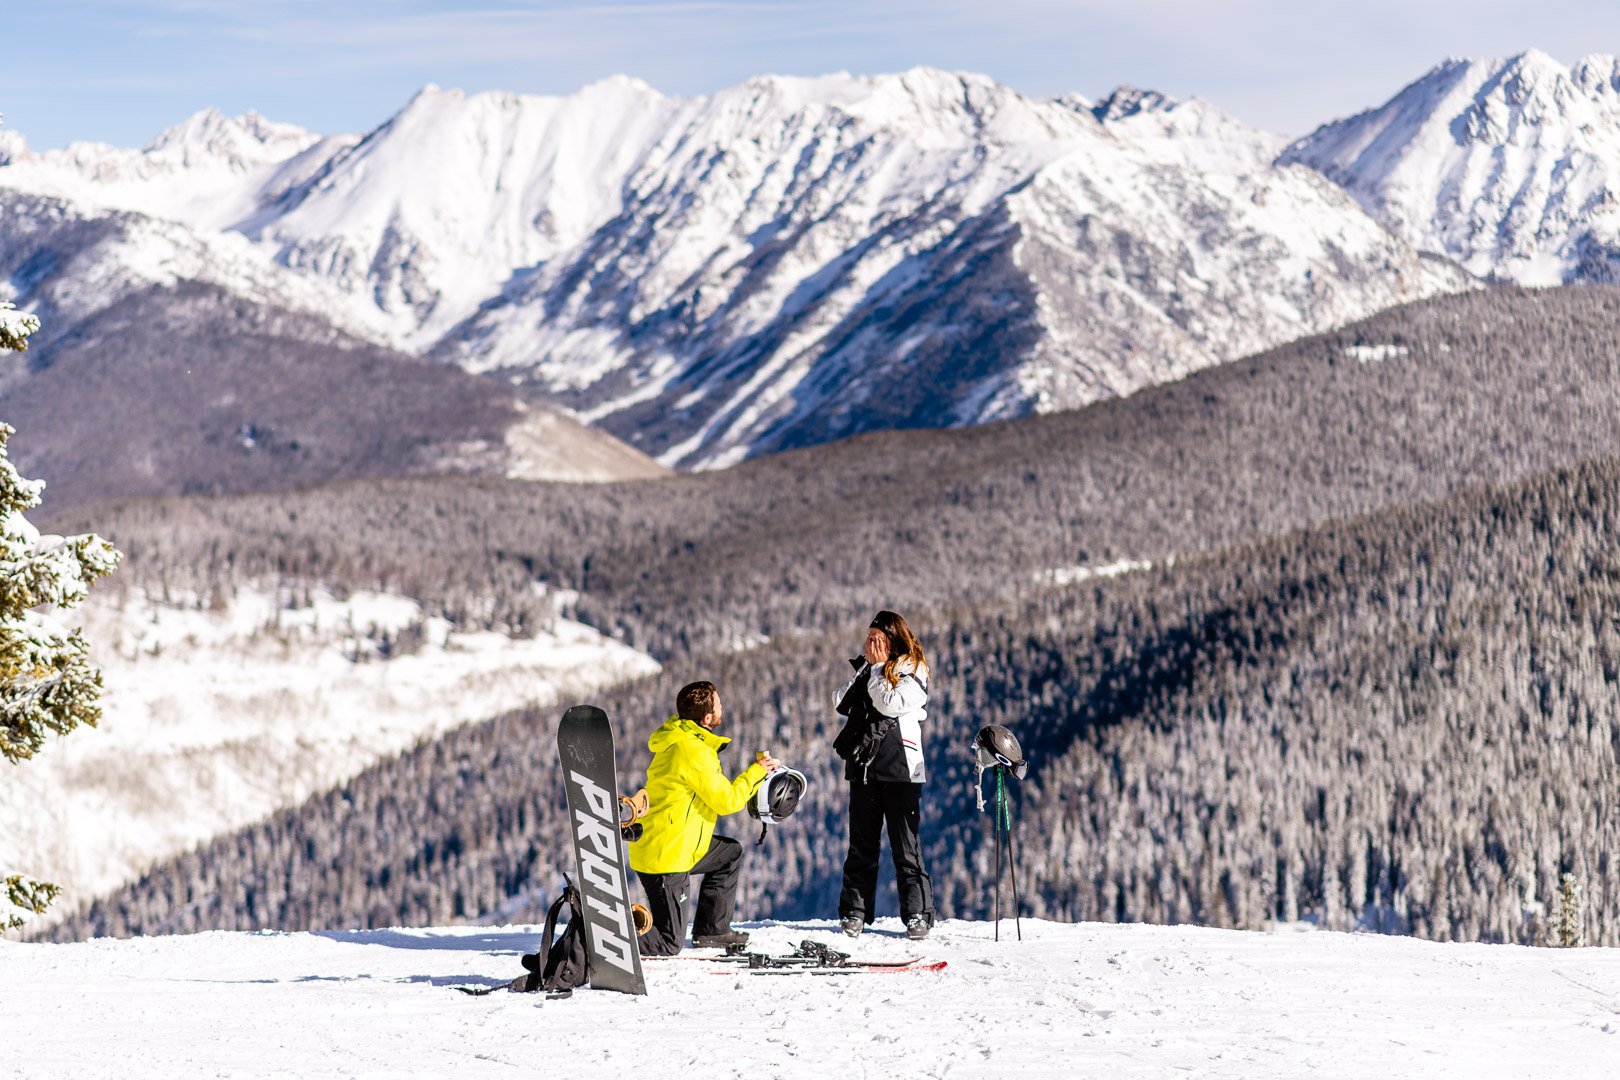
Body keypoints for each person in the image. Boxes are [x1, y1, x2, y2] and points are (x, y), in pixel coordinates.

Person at [629, 680, 780, 955]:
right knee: (669, 943)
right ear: (707, 717)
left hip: (673, 845)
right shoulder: (694, 752)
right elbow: (727, 801)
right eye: (719, 704)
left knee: (729, 853)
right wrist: (757, 772)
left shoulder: (681, 738)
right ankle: (609, 935)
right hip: (666, 857)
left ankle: (713, 931)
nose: (723, 707)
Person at [832, 610, 936, 941]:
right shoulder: (869, 667)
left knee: (906, 845)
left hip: (902, 766)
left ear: (892, 639)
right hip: (865, 765)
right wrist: (867, 667)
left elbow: (891, 703)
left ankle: (918, 914)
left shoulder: (914, 667)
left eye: (877, 638)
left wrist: (876, 669)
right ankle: (854, 912)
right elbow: (839, 702)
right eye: (868, 638)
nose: (870, 643)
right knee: (861, 842)